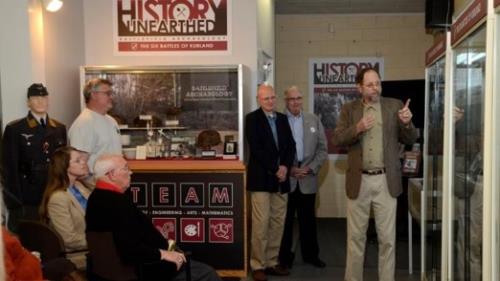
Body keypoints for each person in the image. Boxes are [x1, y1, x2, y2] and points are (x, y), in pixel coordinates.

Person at [332, 67, 417, 281]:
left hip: (386, 181)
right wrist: (357, 128)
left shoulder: (394, 106)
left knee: (387, 240)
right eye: (370, 84)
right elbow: (337, 139)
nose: (375, 88)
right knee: (356, 239)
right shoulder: (349, 109)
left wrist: (407, 123)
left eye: (378, 83)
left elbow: (410, 138)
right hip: (358, 181)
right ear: (359, 87)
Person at [85, 154, 221, 281]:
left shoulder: (95, 198)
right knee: (208, 272)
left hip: (108, 271)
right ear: (112, 175)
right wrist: (164, 254)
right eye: (126, 168)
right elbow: (130, 250)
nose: (130, 172)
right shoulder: (118, 203)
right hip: (140, 269)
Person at [245, 84, 296, 281]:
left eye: (273, 97)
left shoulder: (283, 119)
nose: (270, 101)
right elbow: (257, 149)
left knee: (277, 223)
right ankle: (257, 265)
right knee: (261, 224)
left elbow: (290, 146)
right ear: (259, 99)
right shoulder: (252, 119)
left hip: (281, 180)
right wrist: (276, 168)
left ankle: (271, 262)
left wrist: (284, 166)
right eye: (266, 98)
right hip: (261, 180)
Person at [2, 83, 67, 232]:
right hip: (28, 196)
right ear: (28, 102)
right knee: (27, 238)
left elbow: (63, 163)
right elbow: (8, 168)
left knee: (54, 236)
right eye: (35, 98)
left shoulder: (59, 128)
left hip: (53, 192)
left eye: (44, 97)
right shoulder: (16, 129)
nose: (40, 101)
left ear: (48, 100)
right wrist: (15, 201)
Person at [278, 86, 328, 269]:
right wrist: (288, 168)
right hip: (286, 178)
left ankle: (311, 256)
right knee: (285, 222)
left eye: (299, 98)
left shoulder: (313, 119)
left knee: (308, 221)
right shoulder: (278, 120)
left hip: (308, 178)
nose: (296, 102)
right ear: (286, 100)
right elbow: (274, 150)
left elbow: (323, 149)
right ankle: (284, 258)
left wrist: (310, 168)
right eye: (292, 99)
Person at [39, 146, 92, 269]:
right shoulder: (58, 198)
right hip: (78, 256)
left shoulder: (79, 186)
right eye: (78, 161)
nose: (84, 162)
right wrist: (101, 241)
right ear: (64, 167)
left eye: (83, 159)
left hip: (92, 249)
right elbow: (69, 240)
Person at [68, 78, 121, 172]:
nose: (111, 97)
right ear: (93, 94)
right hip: (95, 184)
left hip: (113, 182)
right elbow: (79, 165)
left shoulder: (111, 121)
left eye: (111, 93)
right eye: (107, 93)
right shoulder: (83, 123)